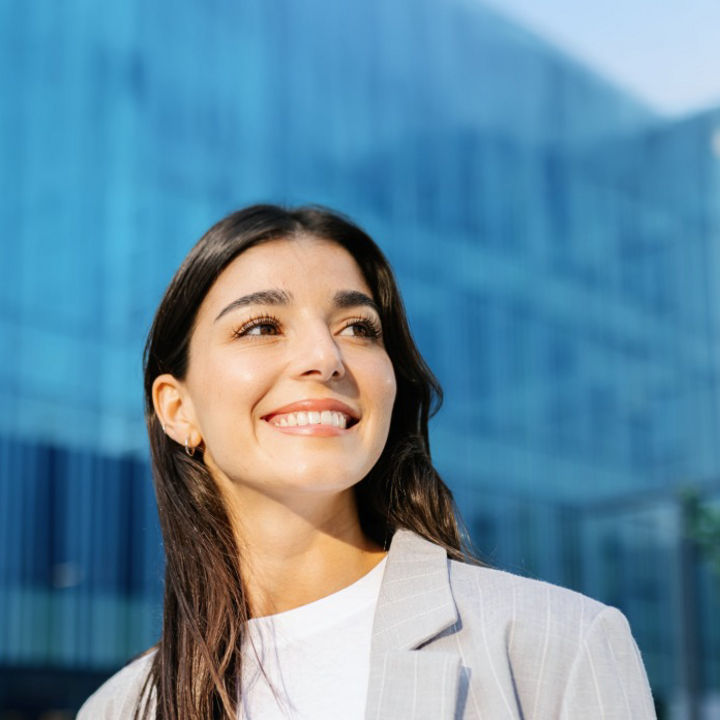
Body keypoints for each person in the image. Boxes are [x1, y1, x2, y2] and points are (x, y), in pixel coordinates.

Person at [77, 204, 656, 720]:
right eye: (261, 327)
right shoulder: (119, 708)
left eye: (358, 328)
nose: (325, 358)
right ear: (178, 410)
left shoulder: (558, 644)